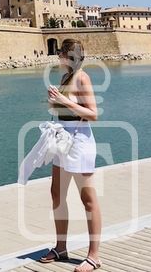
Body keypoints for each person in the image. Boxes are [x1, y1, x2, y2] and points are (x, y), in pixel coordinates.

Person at [38, 38, 102, 271]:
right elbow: (64, 110)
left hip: (80, 143)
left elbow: (93, 114)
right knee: (56, 194)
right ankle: (61, 247)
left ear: (67, 56)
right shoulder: (66, 77)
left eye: (61, 55)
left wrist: (63, 100)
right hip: (62, 142)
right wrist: (53, 101)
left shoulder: (83, 77)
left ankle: (94, 256)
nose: (58, 58)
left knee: (88, 199)